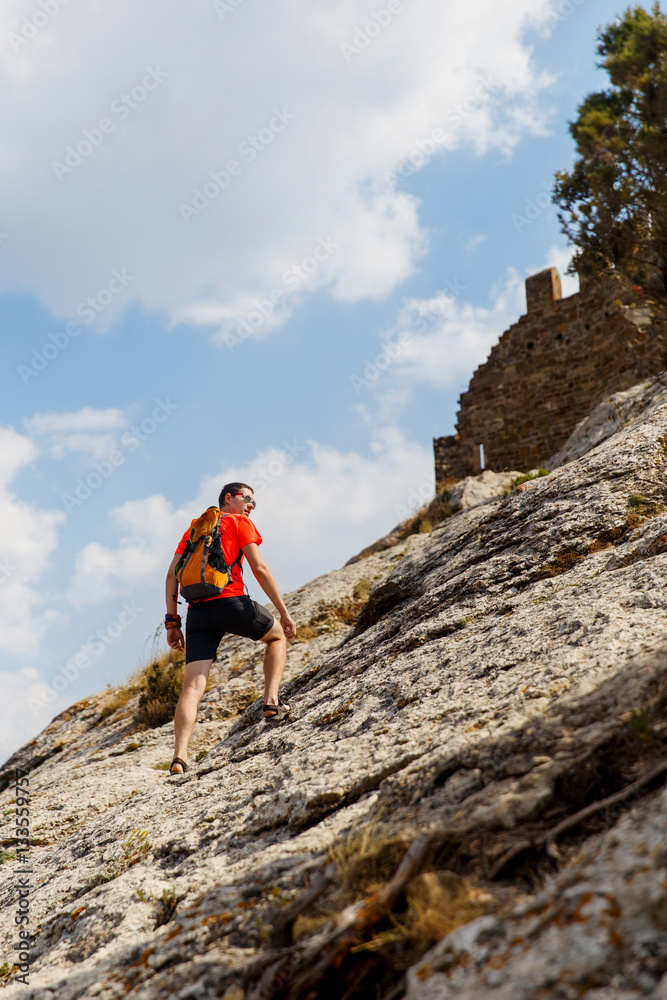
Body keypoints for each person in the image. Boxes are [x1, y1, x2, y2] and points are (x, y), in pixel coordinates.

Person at [164, 482, 297, 775]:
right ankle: (272, 702)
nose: (250, 505)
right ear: (229, 498)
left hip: (197, 613)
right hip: (231, 603)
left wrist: (172, 622)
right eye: (246, 498)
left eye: (253, 503)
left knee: (194, 685)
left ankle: (179, 758)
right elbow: (259, 568)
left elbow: (172, 576)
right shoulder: (240, 522)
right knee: (276, 637)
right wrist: (284, 613)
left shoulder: (195, 528)